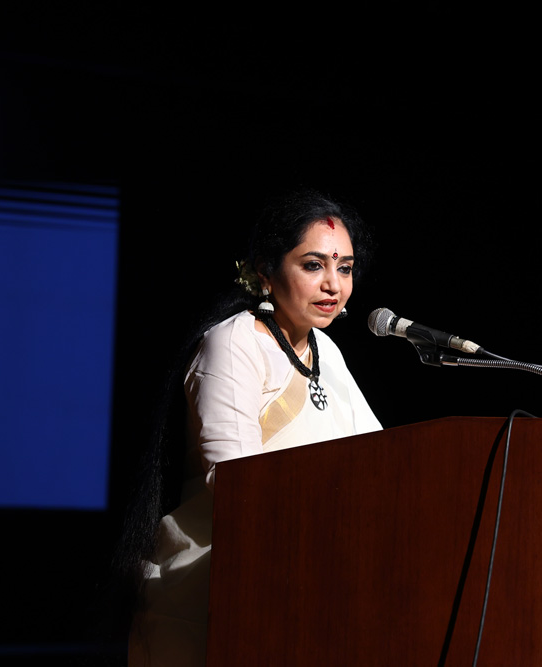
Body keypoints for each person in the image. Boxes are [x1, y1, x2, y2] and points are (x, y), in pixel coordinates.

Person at [124, 188, 382, 667]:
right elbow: (236, 482)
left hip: (315, 577)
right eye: (313, 265)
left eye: (345, 268)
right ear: (265, 271)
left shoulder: (327, 352)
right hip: (223, 584)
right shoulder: (234, 343)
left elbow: (380, 460)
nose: (333, 284)